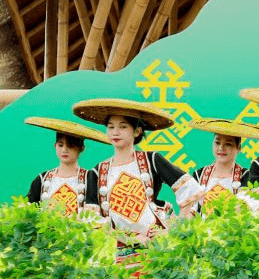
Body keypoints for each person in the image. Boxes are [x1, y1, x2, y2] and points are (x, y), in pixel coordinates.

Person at [70, 98, 201, 267]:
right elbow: (92, 219)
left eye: (123, 126)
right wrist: (130, 239)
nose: (115, 132)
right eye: (111, 127)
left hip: (158, 248)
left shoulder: (152, 159)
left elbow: (191, 190)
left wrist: (173, 232)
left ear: (137, 131)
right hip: (119, 254)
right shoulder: (97, 171)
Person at [24, 116, 108, 219]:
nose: (64, 150)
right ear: (55, 146)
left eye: (70, 146)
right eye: (61, 145)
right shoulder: (42, 179)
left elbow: (94, 215)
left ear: (81, 148)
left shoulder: (90, 178)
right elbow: (27, 210)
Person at [187, 118, 259, 213]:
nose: (221, 148)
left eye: (228, 144)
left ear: (239, 148)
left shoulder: (247, 177)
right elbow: (191, 209)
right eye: (217, 142)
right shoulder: (199, 175)